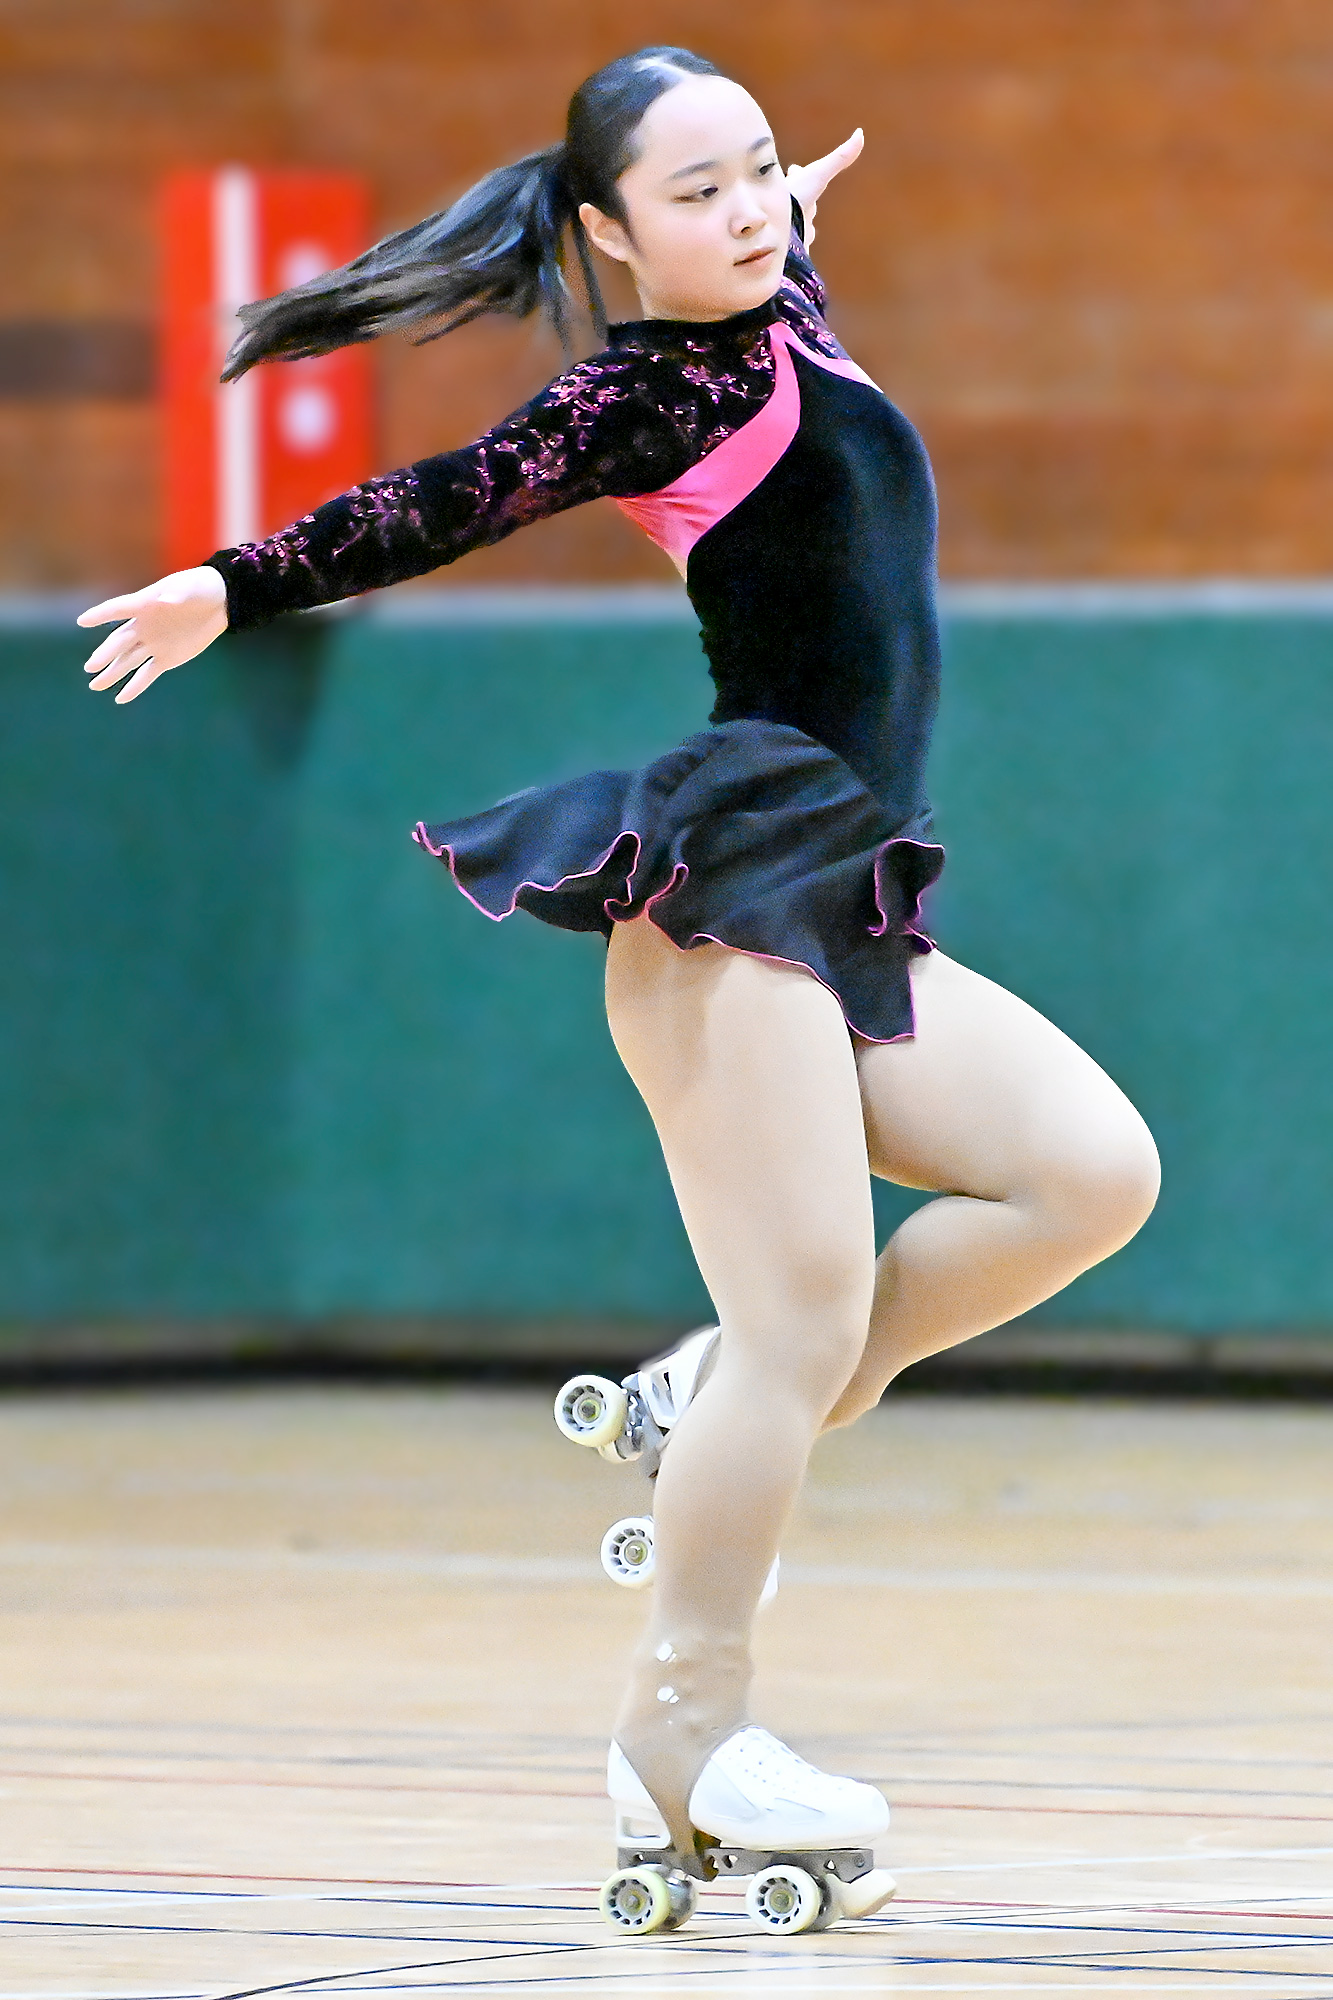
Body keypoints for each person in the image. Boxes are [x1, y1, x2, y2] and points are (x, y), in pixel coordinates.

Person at [79, 46, 1159, 1929]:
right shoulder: (649, 391)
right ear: (606, 233)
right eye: (695, 192)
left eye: (757, 173)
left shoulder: (782, 295)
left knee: (1088, 1174)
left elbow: (774, 221)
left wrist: (785, 202)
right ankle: (682, 1728)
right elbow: (444, 497)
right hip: (732, 898)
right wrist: (228, 588)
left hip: (839, 899)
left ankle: (703, 1399)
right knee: (802, 1324)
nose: (744, 212)